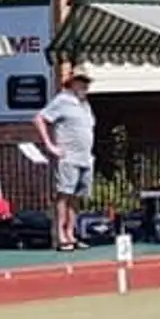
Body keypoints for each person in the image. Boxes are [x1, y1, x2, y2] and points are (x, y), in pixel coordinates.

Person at [34, 68, 95, 252]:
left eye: (86, 82)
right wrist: (50, 146)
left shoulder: (84, 104)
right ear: (72, 82)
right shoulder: (62, 100)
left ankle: (71, 233)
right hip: (68, 157)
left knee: (77, 196)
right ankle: (60, 235)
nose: (84, 85)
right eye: (80, 81)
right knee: (64, 194)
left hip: (85, 157)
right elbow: (39, 118)